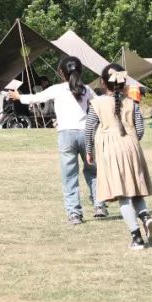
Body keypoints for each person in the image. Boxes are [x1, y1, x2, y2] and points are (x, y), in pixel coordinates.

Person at [8, 55, 106, 224]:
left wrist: (19, 97)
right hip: (86, 133)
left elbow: (36, 98)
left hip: (66, 135)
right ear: (80, 71)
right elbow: (100, 106)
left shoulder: (56, 89)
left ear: (61, 72)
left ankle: (74, 214)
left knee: (69, 176)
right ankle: (100, 205)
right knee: (92, 171)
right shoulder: (86, 89)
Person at [85, 64, 152, 249]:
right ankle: (146, 216)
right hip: (132, 147)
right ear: (124, 83)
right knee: (136, 190)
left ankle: (137, 238)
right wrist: (131, 143)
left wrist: (89, 150)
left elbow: (89, 129)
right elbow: (140, 129)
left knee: (123, 195)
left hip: (110, 150)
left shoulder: (97, 103)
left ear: (102, 82)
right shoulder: (132, 103)